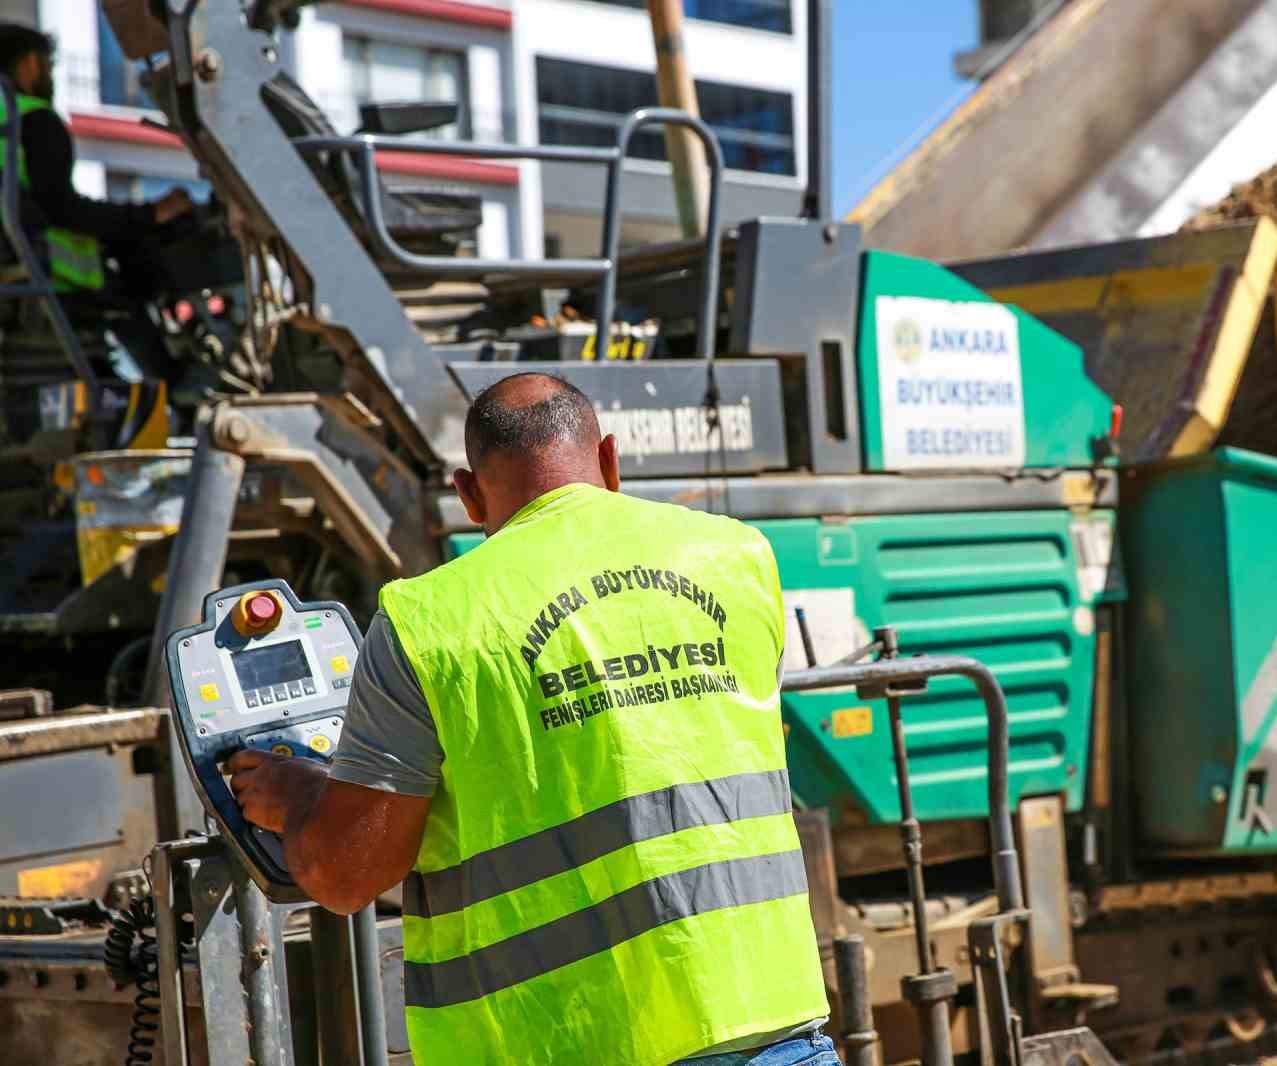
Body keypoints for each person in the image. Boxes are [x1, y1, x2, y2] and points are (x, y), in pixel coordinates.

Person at [227, 372, 836, 1066]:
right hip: (771, 1026)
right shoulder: (736, 558)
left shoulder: (430, 622)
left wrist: (298, 794)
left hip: (559, 1041)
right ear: (609, 460)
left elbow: (347, 874)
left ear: (468, 493)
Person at [0, 24, 194, 380]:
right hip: (50, 279)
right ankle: (178, 383)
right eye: (48, 65)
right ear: (29, 65)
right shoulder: (30, 119)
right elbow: (64, 210)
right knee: (138, 270)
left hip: (17, 276)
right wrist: (153, 213)